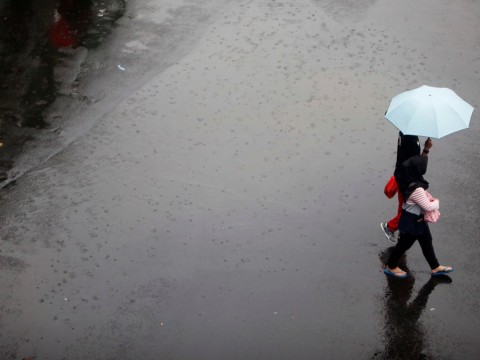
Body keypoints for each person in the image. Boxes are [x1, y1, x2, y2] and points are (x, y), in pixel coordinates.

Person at [383, 155, 453, 278]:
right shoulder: (417, 190)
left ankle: (435, 267)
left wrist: (426, 150)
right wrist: (437, 202)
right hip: (412, 223)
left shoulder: (409, 182)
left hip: (418, 220)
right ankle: (391, 266)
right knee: (403, 245)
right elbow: (428, 207)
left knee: (427, 243)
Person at [381, 132, 432, 243]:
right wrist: (426, 149)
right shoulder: (411, 139)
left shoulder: (404, 133)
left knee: (404, 208)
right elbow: (420, 168)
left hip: (402, 177)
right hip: (407, 181)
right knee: (408, 211)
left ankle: (400, 232)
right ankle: (390, 227)